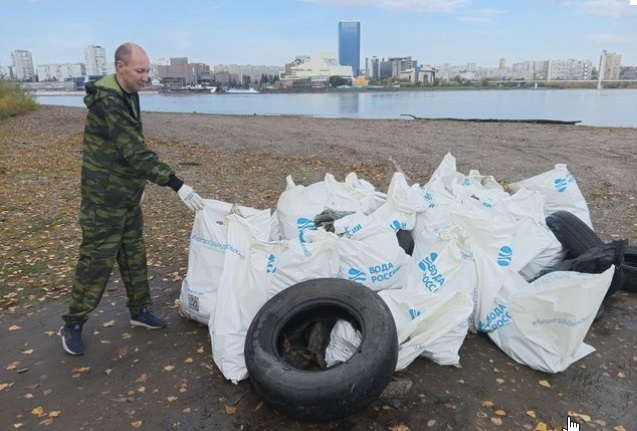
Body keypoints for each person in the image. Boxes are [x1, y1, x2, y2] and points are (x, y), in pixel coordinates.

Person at [59, 42, 205, 356]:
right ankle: (72, 323)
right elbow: (135, 151)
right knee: (96, 262)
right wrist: (176, 183)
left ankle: (139, 311)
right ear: (120, 67)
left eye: (147, 70)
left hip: (126, 196)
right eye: (140, 70)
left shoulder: (128, 93)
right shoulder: (109, 102)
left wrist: (141, 186)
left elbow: (132, 147)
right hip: (104, 199)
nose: (145, 76)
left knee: (133, 255)